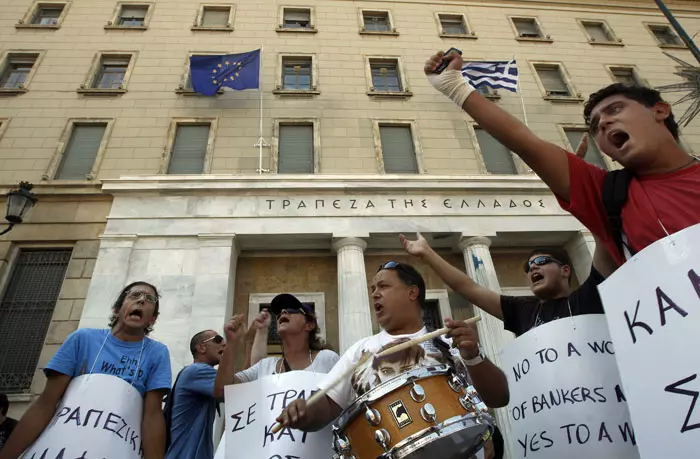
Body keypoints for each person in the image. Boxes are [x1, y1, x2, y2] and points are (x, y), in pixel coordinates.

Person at [424, 51, 700, 265]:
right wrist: (454, 85)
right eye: (594, 125)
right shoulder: (605, 193)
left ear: (660, 111)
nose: (603, 123)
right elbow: (525, 143)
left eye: (615, 109)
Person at [276, 262, 510, 436]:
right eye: (372, 289)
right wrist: (304, 413)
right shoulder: (361, 350)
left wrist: (474, 357)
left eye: (384, 286)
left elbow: (499, 397)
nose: (375, 293)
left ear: (412, 292)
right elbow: (327, 406)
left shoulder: (449, 344)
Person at [0, 281, 172, 459]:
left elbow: (152, 417)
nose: (142, 300)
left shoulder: (157, 353)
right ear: (117, 309)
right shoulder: (82, 339)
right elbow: (46, 403)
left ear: (153, 319)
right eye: (134, 295)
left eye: (149, 299)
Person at [401, 233, 615, 337]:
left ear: (565, 270)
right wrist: (427, 253)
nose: (533, 268)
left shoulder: (587, 298)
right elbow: (467, 287)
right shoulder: (523, 312)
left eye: (540, 262)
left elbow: (605, 240)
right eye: (528, 266)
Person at [214, 294, 339, 393]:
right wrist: (231, 343)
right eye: (279, 313)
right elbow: (222, 391)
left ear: (309, 325)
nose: (283, 311)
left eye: (292, 309)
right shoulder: (264, 366)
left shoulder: (328, 359)